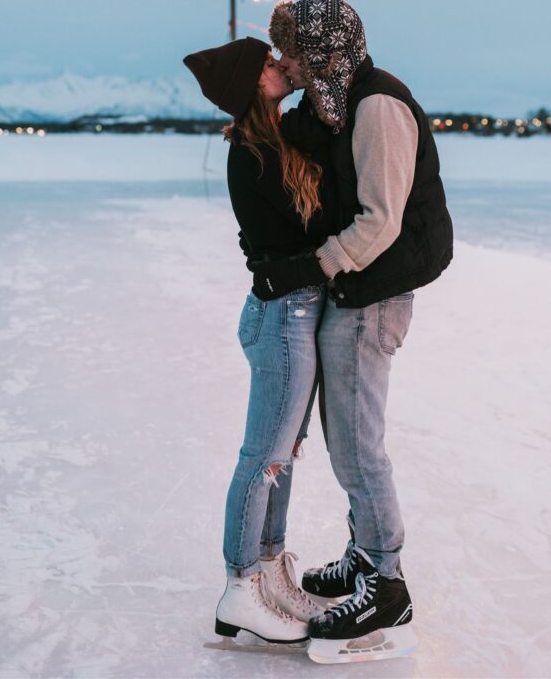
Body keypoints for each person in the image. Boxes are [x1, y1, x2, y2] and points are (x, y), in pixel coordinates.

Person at [249, 0, 454, 664]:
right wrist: (259, 96)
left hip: (374, 294)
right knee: (345, 438)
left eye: (292, 50)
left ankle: (386, 583)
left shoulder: (377, 106)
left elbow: (380, 220)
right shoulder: (337, 102)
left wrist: (314, 265)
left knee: (357, 444)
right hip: (354, 288)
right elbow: (300, 139)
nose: (284, 60)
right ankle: (366, 555)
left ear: (323, 52)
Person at [183, 36, 336, 645]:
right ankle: (240, 585)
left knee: (281, 456)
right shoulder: (251, 152)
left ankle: (270, 570)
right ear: (253, 85)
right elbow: (314, 226)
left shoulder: (273, 139)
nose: (281, 66)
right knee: (263, 457)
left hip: (290, 311)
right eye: (270, 64)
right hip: (282, 317)